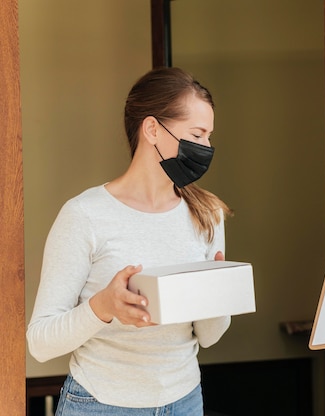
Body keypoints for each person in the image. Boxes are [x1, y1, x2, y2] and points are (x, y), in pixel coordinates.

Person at [27, 66, 233, 415]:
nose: (206, 147)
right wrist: (103, 308)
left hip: (184, 401)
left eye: (209, 137)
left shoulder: (207, 213)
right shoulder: (84, 215)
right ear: (152, 128)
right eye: (197, 135)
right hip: (99, 404)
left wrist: (216, 295)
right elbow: (40, 342)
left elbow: (210, 337)